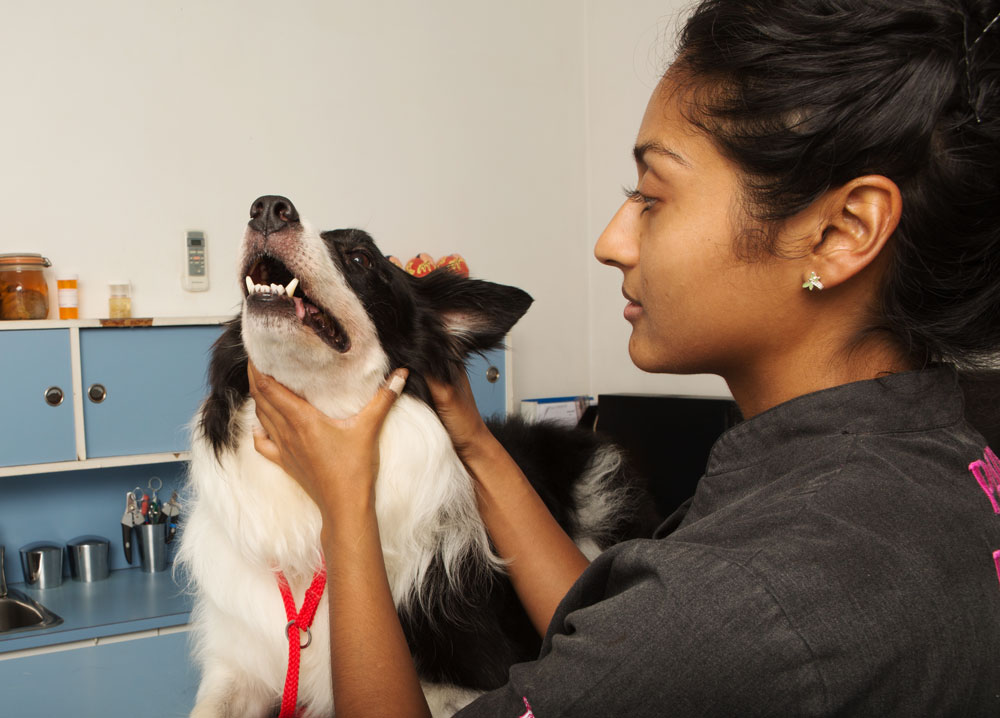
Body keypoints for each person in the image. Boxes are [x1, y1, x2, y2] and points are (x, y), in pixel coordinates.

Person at [247, 0, 1000, 714]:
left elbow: (688, 633)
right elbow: (615, 635)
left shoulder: (747, 599)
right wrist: (472, 440)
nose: (611, 242)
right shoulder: (933, 465)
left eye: (652, 195)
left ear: (841, 233)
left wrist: (346, 499)